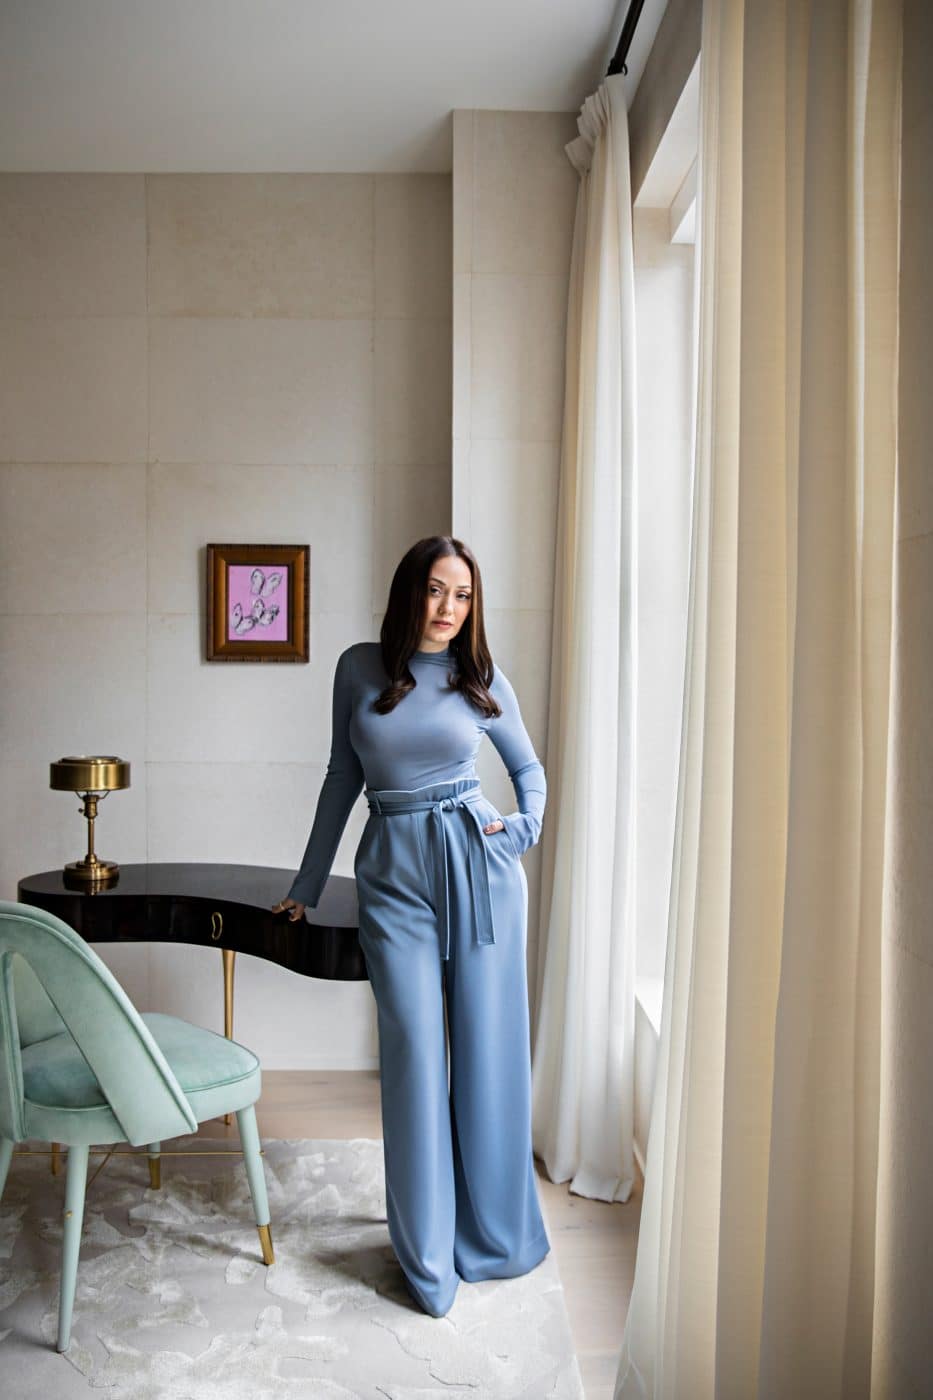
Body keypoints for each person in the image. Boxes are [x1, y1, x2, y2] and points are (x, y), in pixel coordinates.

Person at [271, 534, 550, 1316]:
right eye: (435, 591)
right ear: (407, 593)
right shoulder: (359, 666)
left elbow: (527, 772)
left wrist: (520, 830)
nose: (448, 611)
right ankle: (427, 1258)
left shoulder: (480, 675)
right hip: (392, 872)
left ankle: (493, 1239)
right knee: (415, 1058)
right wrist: (304, 881)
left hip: (479, 866)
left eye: (461, 597)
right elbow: (340, 775)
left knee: (488, 1055)